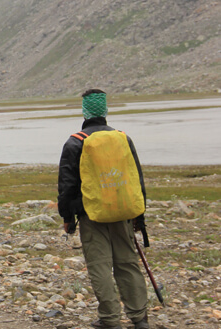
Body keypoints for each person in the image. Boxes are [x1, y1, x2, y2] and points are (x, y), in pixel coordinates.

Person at [58, 89, 149, 329]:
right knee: (127, 263)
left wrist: (67, 217)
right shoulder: (123, 138)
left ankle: (110, 319)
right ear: (105, 110)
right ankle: (139, 318)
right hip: (123, 212)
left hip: (91, 214)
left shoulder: (75, 142)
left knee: (100, 266)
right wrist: (140, 216)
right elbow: (135, 179)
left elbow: (67, 186)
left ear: (85, 111)